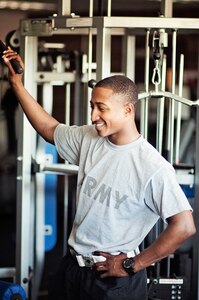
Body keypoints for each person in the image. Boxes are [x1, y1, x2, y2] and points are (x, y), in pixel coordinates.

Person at [2, 49, 196, 300]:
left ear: (127, 110)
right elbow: (49, 128)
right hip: (72, 269)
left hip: (113, 280)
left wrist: (132, 265)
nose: (93, 116)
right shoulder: (89, 139)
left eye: (101, 108)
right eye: (93, 106)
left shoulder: (152, 166)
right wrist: (17, 85)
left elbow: (184, 226)